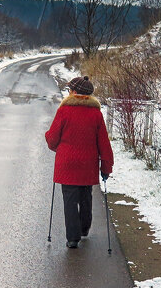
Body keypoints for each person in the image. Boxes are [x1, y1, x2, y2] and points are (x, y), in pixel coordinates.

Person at [44, 75, 113, 249]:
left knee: (69, 200)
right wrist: (106, 166)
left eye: (69, 90)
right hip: (88, 165)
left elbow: (52, 139)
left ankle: (73, 238)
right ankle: (84, 229)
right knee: (85, 196)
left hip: (67, 165)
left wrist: (54, 143)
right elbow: (103, 142)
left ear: (75, 92)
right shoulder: (96, 114)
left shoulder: (64, 111)